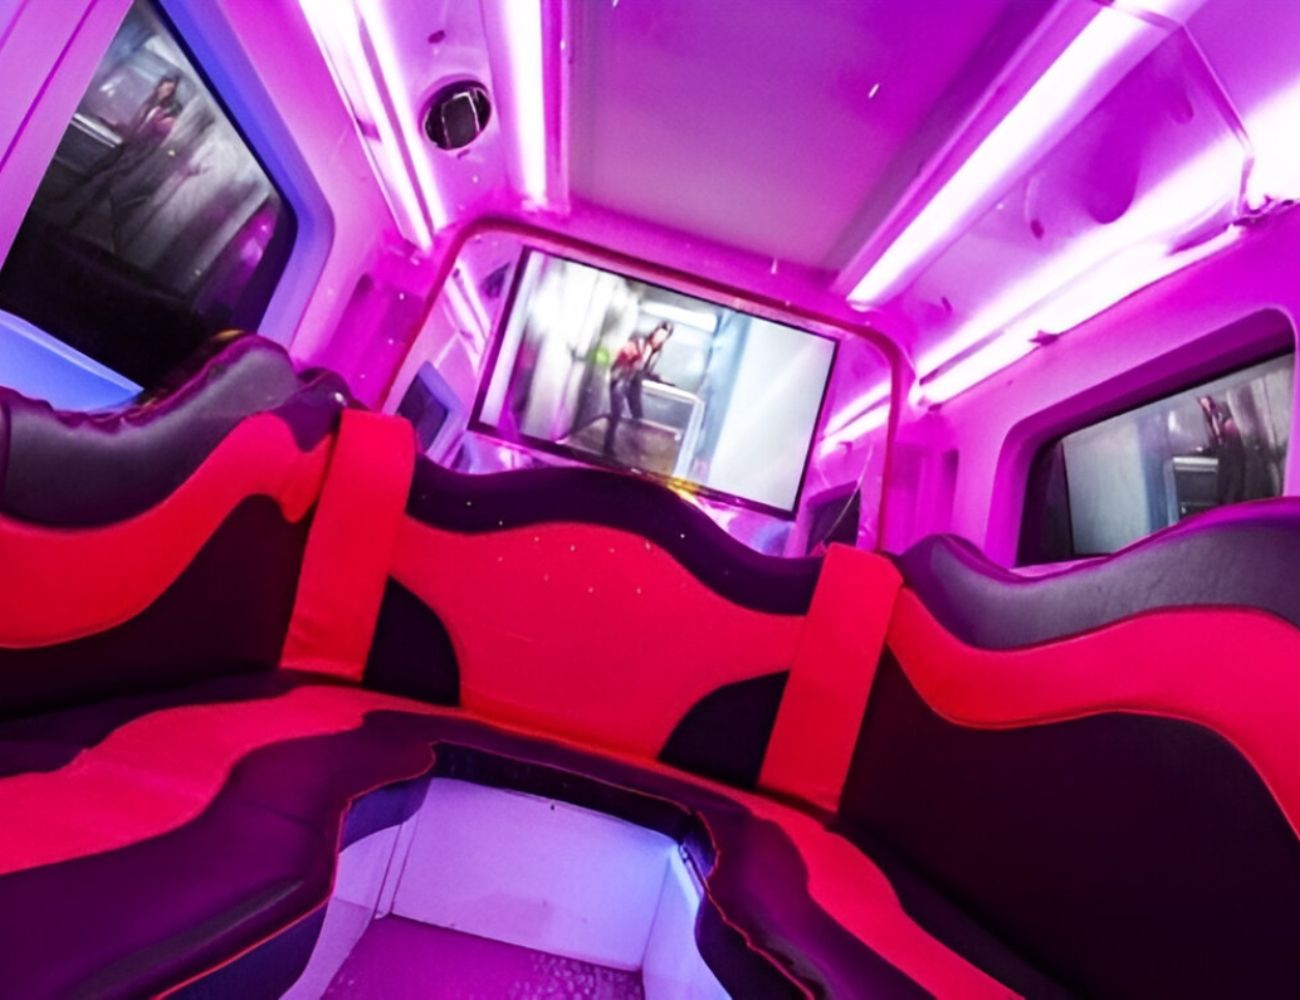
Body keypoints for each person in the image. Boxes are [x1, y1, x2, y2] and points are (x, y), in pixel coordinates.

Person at [64, 72, 185, 240]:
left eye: (169, 90)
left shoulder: (166, 113)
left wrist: (159, 125)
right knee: (94, 173)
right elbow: (135, 128)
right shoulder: (149, 104)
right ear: (159, 85)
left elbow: (155, 136)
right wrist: (114, 126)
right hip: (125, 147)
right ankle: (69, 203)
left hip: (135, 155)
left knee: (102, 185)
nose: (165, 92)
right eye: (164, 87)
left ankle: (76, 218)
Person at [603, 321, 673, 458]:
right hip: (621, 378)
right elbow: (620, 361)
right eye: (659, 334)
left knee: (638, 415)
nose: (659, 338)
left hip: (633, 382)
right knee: (616, 414)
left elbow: (644, 370)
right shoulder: (639, 342)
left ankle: (633, 444)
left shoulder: (656, 351)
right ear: (654, 332)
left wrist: (659, 378)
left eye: (663, 336)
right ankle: (607, 447)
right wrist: (630, 365)